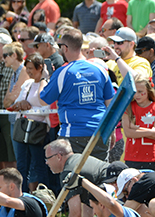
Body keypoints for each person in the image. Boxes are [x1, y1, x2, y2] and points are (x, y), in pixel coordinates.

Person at [39, 28, 114, 160]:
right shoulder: (100, 70)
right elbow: (111, 105)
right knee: (99, 176)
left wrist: (44, 79)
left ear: (65, 48)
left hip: (72, 134)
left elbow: (43, 100)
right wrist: (111, 130)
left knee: (72, 178)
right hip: (99, 131)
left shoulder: (63, 72)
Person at [7, 52, 52, 192]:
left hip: (38, 131)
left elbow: (46, 107)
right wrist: (21, 104)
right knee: (22, 165)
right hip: (23, 128)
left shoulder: (47, 84)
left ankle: (44, 196)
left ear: (40, 68)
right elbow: (14, 104)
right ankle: (22, 194)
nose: (29, 72)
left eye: (31, 68)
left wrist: (29, 106)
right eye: (27, 68)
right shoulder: (27, 83)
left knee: (39, 165)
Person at [121, 75, 155, 171]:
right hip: (131, 157)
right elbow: (128, 133)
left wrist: (135, 128)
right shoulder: (128, 107)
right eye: (135, 92)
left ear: (148, 91)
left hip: (150, 157)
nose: (137, 95)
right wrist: (150, 132)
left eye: (140, 92)